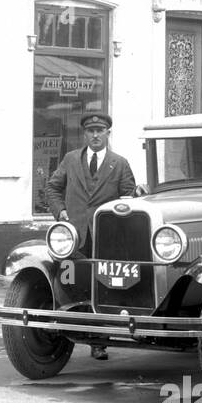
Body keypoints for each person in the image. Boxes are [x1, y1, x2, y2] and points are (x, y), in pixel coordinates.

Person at [46, 112, 138, 360]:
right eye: (91, 131)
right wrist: (61, 212)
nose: (95, 135)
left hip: (107, 239)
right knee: (73, 285)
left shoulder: (119, 164)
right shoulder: (71, 159)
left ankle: (99, 342)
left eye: (100, 131)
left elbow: (130, 199)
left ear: (108, 133)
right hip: (75, 238)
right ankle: (65, 334)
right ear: (84, 134)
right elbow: (53, 188)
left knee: (102, 288)